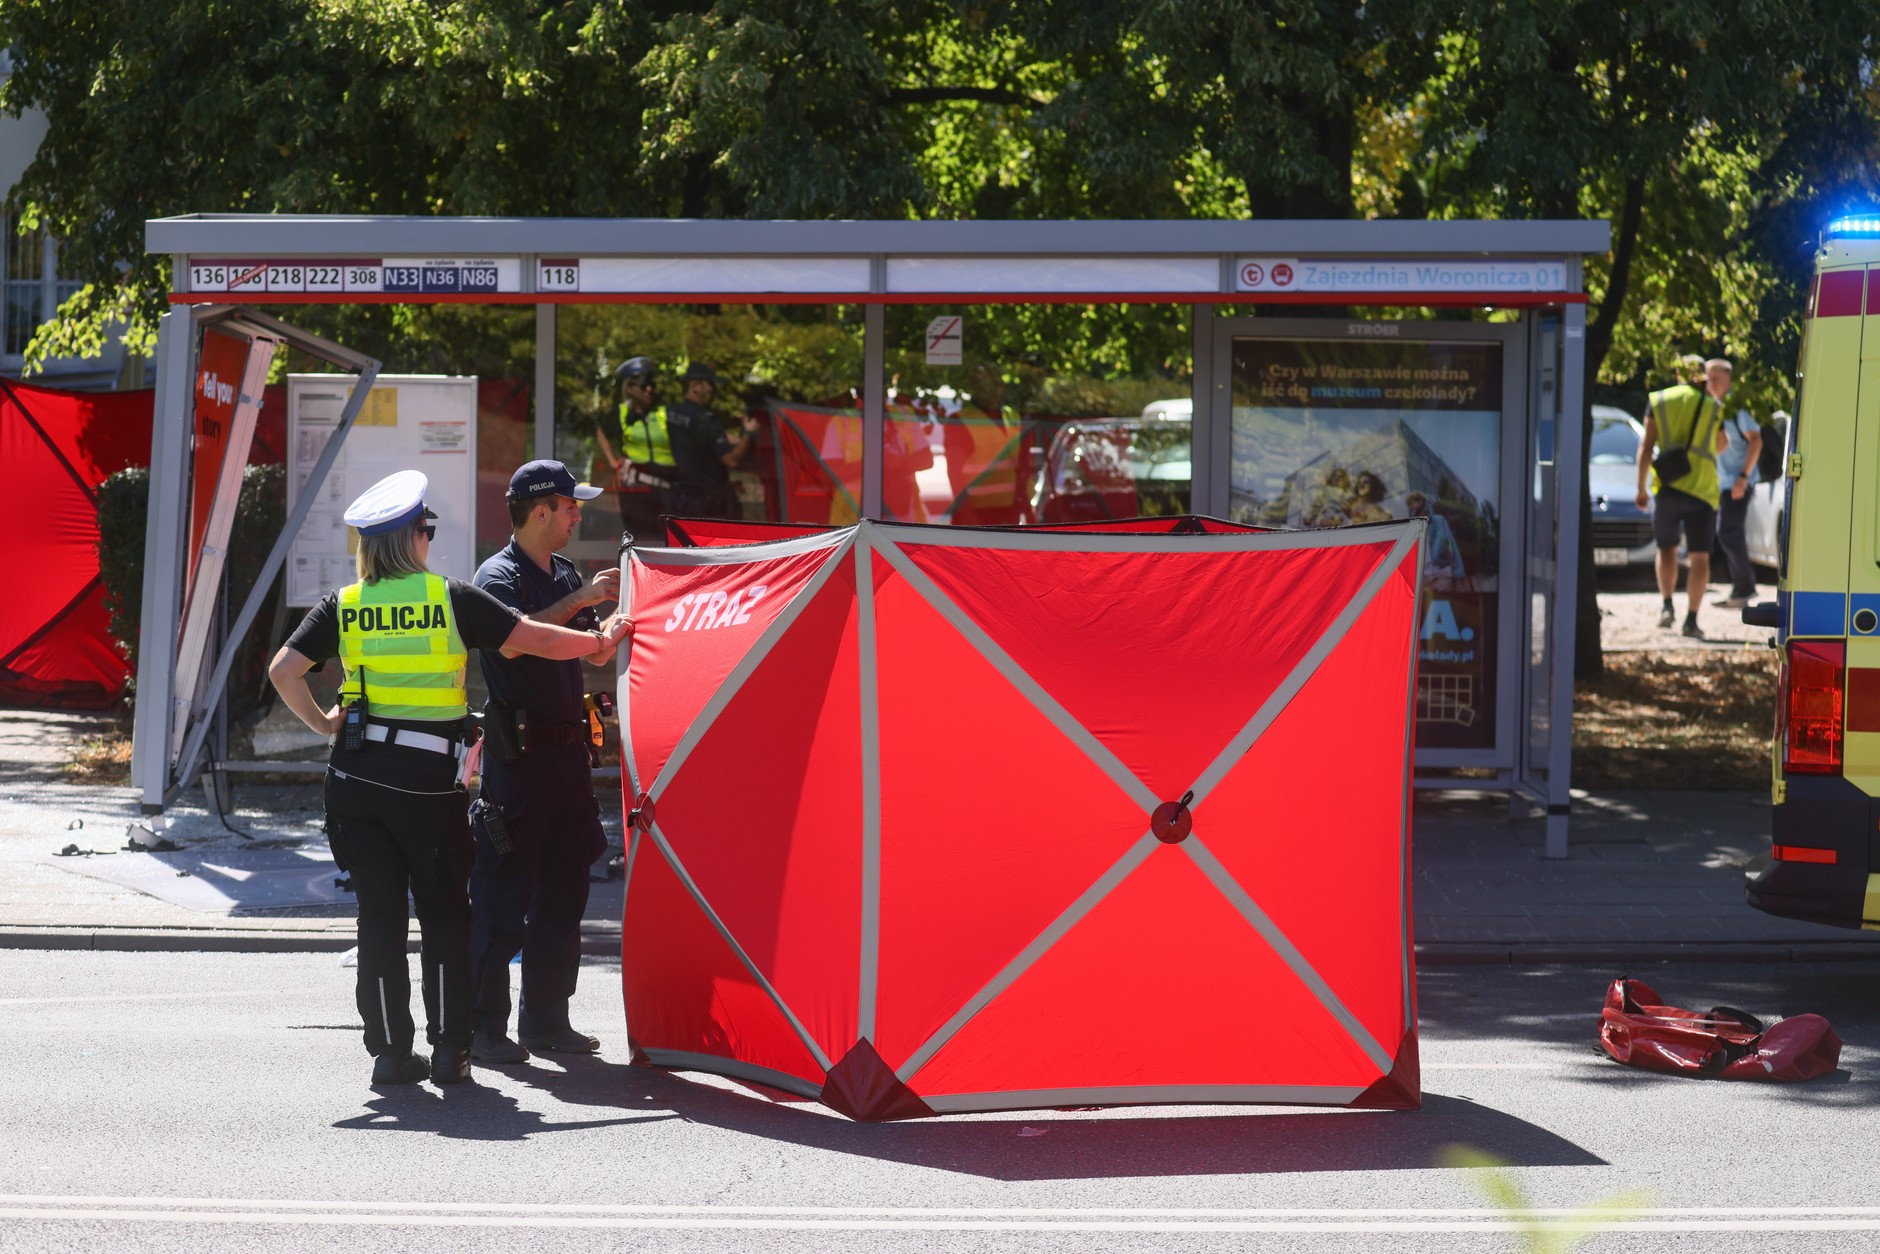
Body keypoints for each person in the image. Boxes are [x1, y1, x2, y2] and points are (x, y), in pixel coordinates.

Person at [268, 470, 630, 1087]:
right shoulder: (449, 597)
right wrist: (600, 636)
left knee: (378, 919)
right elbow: (532, 639)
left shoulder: (345, 604)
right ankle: (450, 1051)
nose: (431, 538)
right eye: (427, 529)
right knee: (443, 915)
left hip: (355, 781)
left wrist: (327, 723)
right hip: (425, 782)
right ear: (412, 537)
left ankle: (389, 1054)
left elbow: (283, 669)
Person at [467, 460, 624, 1064]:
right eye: (569, 506)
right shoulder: (497, 577)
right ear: (540, 511)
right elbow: (517, 636)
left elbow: (593, 651)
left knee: (566, 893)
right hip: (521, 761)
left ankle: (546, 1020)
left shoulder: (561, 570)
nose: (577, 516)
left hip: (567, 760)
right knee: (505, 896)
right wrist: (583, 598)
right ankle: (484, 1029)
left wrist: (613, 624)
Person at [1635, 354, 1728, 639]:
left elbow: (1646, 447)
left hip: (1667, 488)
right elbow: (1721, 446)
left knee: (1667, 549)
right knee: (1700, 556)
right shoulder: (1713, 406)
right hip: (1702, 491)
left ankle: (1666, 606)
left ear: (1678, 374)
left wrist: (1641, 488)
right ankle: (1692, 620)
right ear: (1702, 376)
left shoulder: (1660, 400)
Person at [664, 363, 759, 519]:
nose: (712, 391)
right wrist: (749, 434)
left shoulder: (673, 414)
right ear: (695, 386)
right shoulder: (706, 421)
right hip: (709, 503)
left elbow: (699, 444)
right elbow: (732, 461)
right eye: (710, 384)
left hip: (683, 496)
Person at [1711, 361, 1764, 609]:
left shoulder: (1737, 407)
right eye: (1709, 378)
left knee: (1728, 532)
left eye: (1717, 379)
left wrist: (1743, 477)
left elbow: (1756, 441)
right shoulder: (1719, 407)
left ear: (1729, 380)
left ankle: (1744, 588)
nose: (1712, 383)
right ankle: (1740, 588)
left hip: (1738, 481)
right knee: (1728, 532)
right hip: (1727, 482)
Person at [612, 356, 678, 544]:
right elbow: (602, 437)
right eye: (643, 385)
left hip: (668, 490)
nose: (650, 389)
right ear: (630, 388)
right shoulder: (619, 413)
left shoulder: (662, 412)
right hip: (637, 491)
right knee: (642, 543)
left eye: (651, 385)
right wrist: (615, 462)